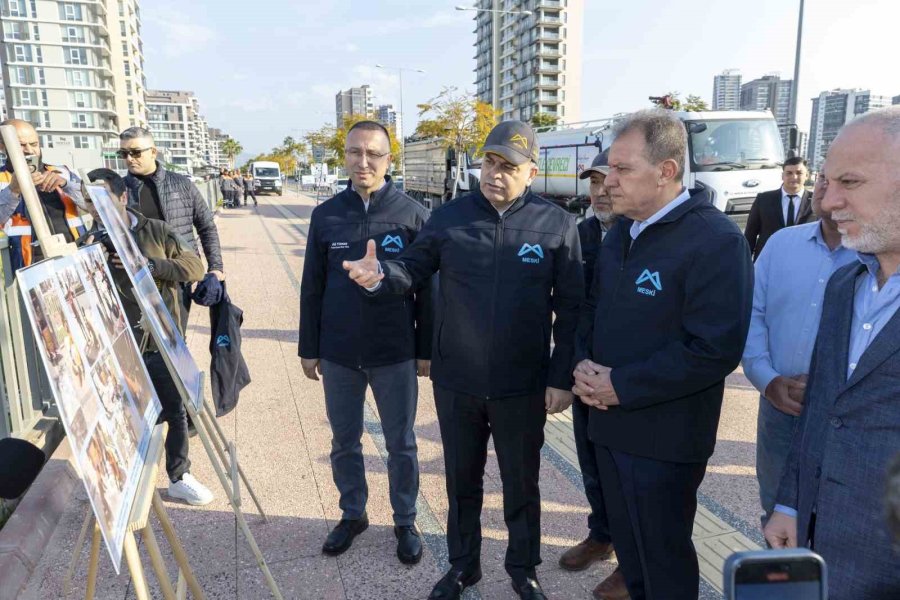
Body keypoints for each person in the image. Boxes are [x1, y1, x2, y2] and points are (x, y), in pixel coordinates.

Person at [343, 120, 583, 600]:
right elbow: (412, 268)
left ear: (531, 172)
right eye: (490, 162)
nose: (495, 174)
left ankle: (523, 568)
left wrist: (561, 378)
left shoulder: (557, 224)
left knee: (521, 484)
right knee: (462, 483)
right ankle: (463, 565)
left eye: (508, 167)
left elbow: (573, 308)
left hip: (523, 382)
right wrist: (380, 275)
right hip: (458, 380)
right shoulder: (450, 218)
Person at [573, 110, 753, 600]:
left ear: (667, 170)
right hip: (608, 426)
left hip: (665, 439)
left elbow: (715, 348)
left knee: (663, 556)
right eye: (610, 169)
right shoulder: (621, 233)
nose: (608, 181)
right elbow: (593, 309)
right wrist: (582, 363)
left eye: (622, 169)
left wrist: (622, 385)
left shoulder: (715, 241)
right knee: (631, 552)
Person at [764, 106, 900, 600]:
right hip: (823, 553)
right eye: (827, 180)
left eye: (851, 182)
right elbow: (822, 406)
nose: (829, 199)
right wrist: (792, 505)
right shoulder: (847, 283)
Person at [299, 121, 433, 566]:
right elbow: (312, 286)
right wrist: (309, 346)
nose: (364, 162)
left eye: (374, 153)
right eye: (355, 152)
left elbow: (429, 289)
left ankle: (405, 519)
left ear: (388, 159)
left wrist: (425, 348)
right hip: (338, 351)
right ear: (345, 156)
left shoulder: (412, 214)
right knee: (345, 440)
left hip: (394, 349)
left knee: (401, 443)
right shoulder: (326, 214)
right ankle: (352, 513)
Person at [82, 168, 214, 506]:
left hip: (159, 339)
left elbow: (194, 266)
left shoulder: (155, 230)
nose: (97, 211)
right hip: (116, 345)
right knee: (123, 415)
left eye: (104, 202)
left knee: (175, 408)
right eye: (90, 203)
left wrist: (151, 266)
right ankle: (121, 483)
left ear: (123, 197)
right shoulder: (89, 243)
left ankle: (180, 475)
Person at [741, 173, 856, 526]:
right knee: (777, 509)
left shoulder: (881, 257)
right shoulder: (780, 245)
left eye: (846, 180)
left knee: (841, 518)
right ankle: (784, 577)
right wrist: (767, 380)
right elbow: (751, 314)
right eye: (823, 177)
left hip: (850, 418)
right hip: (780, 408)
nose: (825, 187)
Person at [557, 149, 620, 598]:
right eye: (593, 183)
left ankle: (633, 556)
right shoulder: (577, 236)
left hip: (626, 382)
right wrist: (575, 368)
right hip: (584, 375)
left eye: (608, 180)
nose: (600, 191)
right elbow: (569, 310)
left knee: (628, 473)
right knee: (591, 463)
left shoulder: (645, 237)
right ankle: (601, 535)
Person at [118, 127, 224, 331]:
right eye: (124, 154)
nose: (130, 159)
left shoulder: (181, 184)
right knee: (140, 342)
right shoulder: (119, 190)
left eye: (136, 152)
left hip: (177, 278)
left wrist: (216, 268)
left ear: (153, 152)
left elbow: (206, 226)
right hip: (136, 279)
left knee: (176, 339)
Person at [0, 119, 86, 270]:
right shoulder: (2, 178)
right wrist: (13, 190)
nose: (29, 150)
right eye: (21, 145)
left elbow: (92, 204)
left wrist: (66, 185)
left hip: (76, 254)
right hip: (30, 264)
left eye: (34, 144)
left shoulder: (61, 171)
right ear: (2, 146)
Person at [744, 157, 814, 260]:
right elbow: (750, 234)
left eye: (799, 173)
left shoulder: (816, 201)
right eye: (789, 173)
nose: (794, 177)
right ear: (782, 176)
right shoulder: (763, 200)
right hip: (768, 260)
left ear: (807, 176)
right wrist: (745, 263)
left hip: (803, 260)